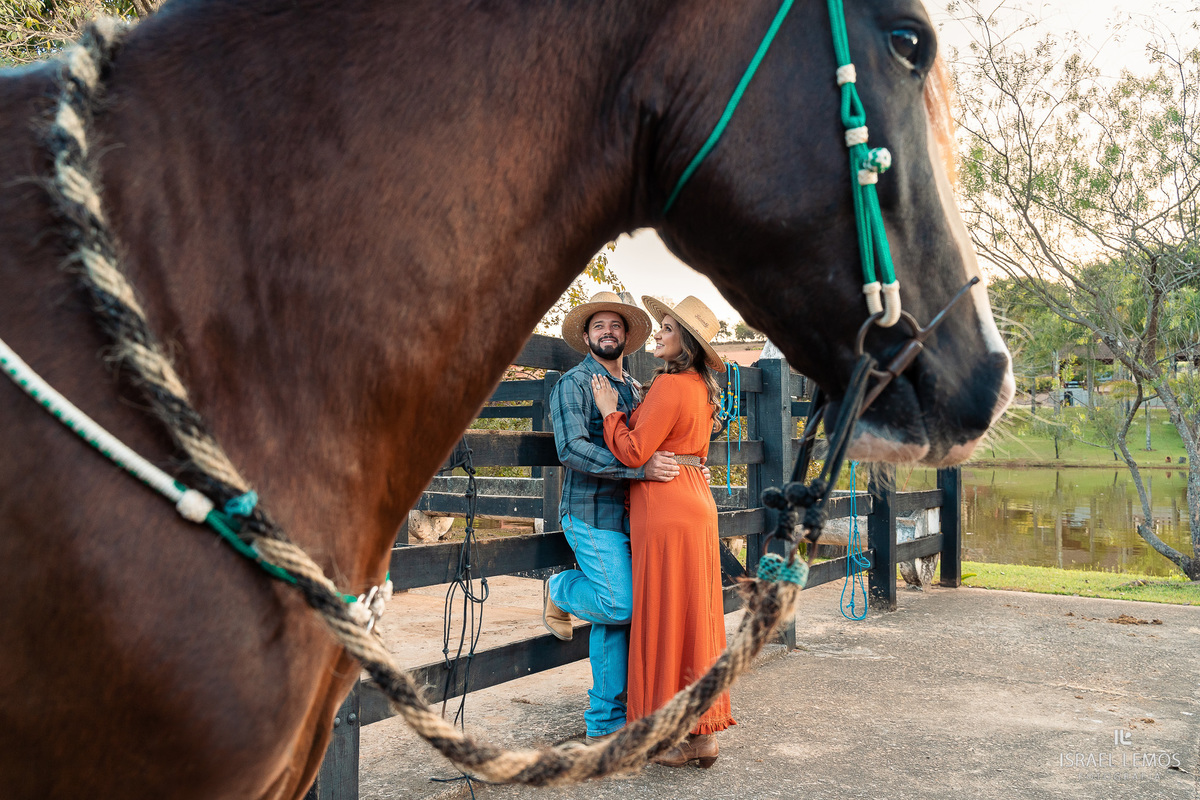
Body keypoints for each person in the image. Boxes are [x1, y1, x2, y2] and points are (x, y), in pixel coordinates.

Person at [590, 295, 734, 768]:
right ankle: (702, 736)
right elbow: (696, 452)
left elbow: (634, 451)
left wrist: (609, 411)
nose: (658, 332)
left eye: (667, 328)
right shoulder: (702, 389)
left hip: (665, 505)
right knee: (696, 615)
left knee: (665, 613)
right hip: (696, 498)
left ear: (684, 342)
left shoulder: (671, 385)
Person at [544, 291, 686, 744]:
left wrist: (686, 463)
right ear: (586, 336)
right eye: (599, 325)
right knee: (619, 603)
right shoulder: (573, 384)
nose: (608, 332)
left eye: (615, 325)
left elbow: (651, 439)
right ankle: (559, 589)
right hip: (590, 512)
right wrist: (637, 469)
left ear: (626, 335)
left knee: (618, 615)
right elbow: (571, 449)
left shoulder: (636, 388)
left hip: (636, 514)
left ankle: (606, 721)